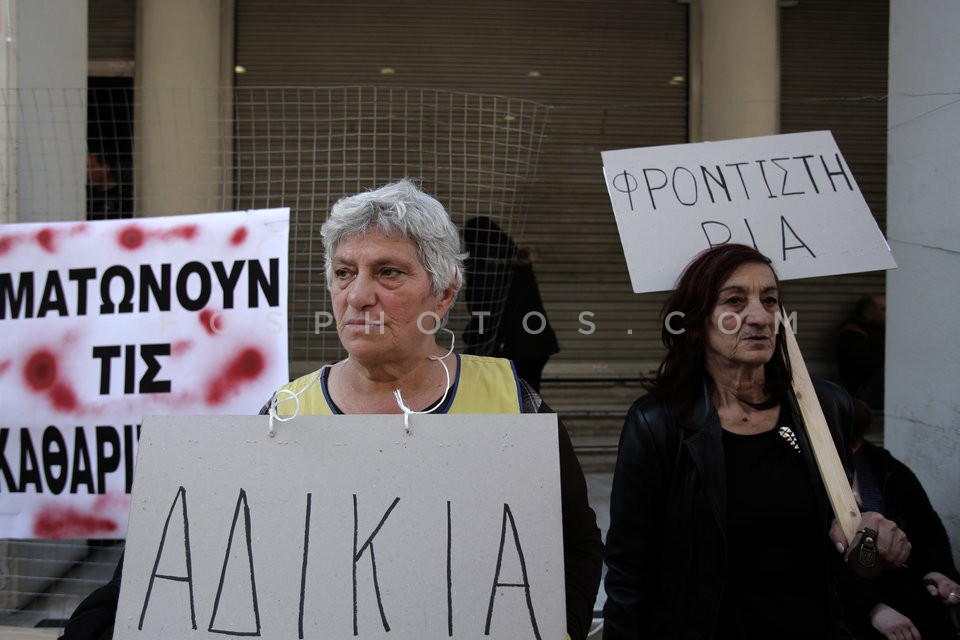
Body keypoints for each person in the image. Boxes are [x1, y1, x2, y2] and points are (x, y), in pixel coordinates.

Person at [59, 179, 603, 640]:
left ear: (442, 295)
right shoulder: (284, 411)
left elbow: (576, 550)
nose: (358, 295)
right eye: (344, 272)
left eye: (388, 272)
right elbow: (179, 560)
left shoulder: (516, 403)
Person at [602, 243, 912, 640]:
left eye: (770, 301)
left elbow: (841, 526)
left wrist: (868, 530)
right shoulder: (658, 423)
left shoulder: (826, 407)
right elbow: (629, 566)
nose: (759, 317)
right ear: (696, 321)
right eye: (734, 301)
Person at [844, 399, 960, 640]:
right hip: (846, 597)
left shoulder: (887, 469)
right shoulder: (802, 477)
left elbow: (928, 526)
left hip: (901, 584)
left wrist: (938, 572)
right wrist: (872, 607)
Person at [462, 216, 559, 392]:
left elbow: (486, 311)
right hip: (537, 343)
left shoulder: (487, 270)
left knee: (510, 400)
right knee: (528, 397)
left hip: (513, 348)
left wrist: (473, 339)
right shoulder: (516, 260)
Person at [836, 294, 885, 409]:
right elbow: (864, 363)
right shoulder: (852, 333)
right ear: (868, 313)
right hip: (863, 391)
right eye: (883, 309)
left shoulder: (881, 330)